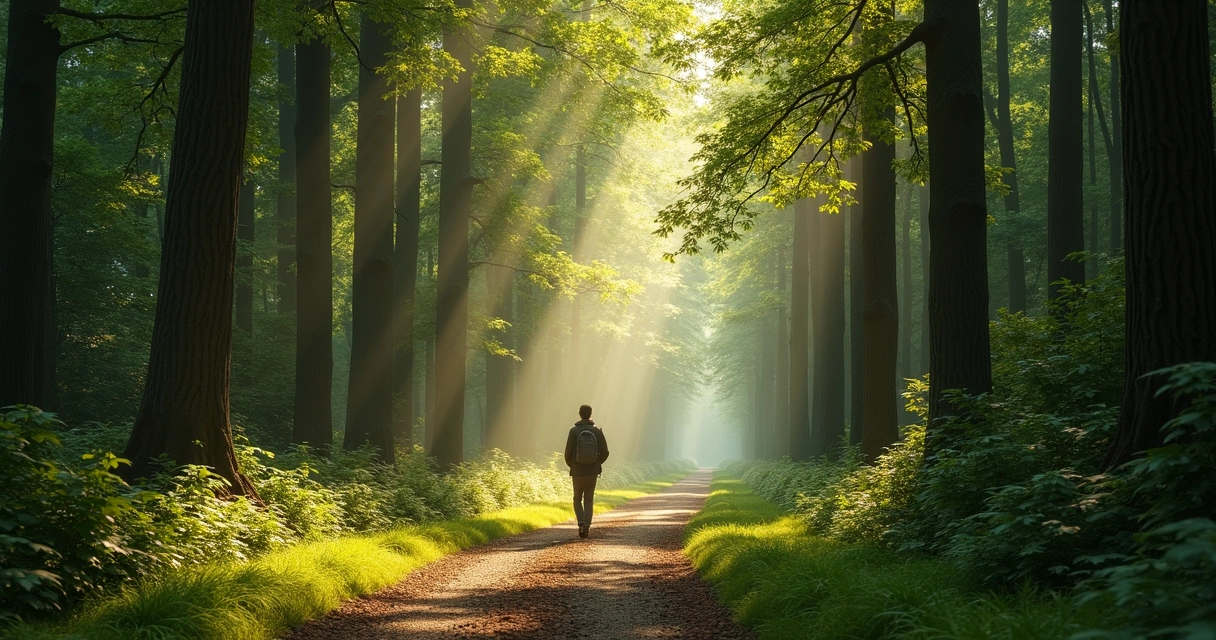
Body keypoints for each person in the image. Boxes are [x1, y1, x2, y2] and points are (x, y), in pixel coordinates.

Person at [564, 404, 609, 538]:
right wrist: (597, 463)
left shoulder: (573, 431)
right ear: (591, 414)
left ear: (579, 414)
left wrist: (572, 465)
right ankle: (587, 526)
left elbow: (567, 453)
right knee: (589, 499)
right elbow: (605, 452)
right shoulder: (597, 431)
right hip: (592, 472)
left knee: (577, 498)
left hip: (577, 472)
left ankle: (581, 522)